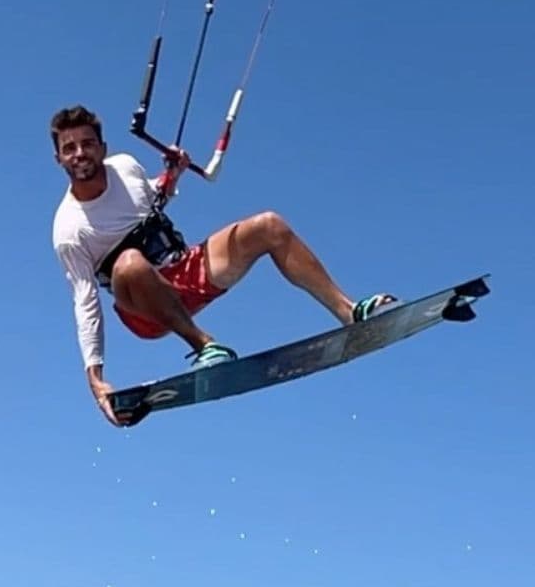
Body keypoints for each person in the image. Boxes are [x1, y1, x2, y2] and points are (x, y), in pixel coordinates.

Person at [50, 105, 395, 427]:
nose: (80, 153)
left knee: (269, 226)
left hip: (184, 270)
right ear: (59, 159)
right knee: (129, 264)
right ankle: (205, 346)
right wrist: (96, 379)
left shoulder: (126, 166)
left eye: (87, 144)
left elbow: (149, 199)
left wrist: (173, 174)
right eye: (69, 148)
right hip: (145, 309)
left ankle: (348, 311)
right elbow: (85, 302)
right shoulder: (69, 229)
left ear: (103, 147)